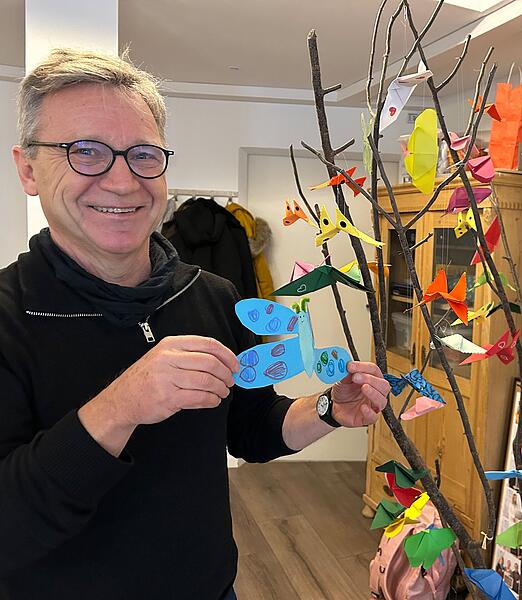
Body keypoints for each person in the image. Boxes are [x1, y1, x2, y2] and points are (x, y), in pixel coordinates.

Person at [0, 48, 390, 600]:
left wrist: (329, 408)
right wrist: (121, 404)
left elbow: (249, 428)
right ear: (28, 168)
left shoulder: (209, 295)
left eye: (142, 154)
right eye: (84, 152)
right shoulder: (10, 316)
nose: (122, 181)